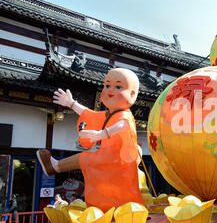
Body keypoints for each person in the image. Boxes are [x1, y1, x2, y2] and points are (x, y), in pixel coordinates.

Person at [37, 68, 145, 212]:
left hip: (118, 161)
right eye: (107, 85)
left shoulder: (124, 115)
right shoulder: (110, 114)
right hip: (110, 159)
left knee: (87, 158)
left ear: (132, 95)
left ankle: (56, 166)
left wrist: (101, 134)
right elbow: (91, 115)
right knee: (92, 166)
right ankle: (56, 167)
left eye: (118, 86)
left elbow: (122, 126)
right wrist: (71, 103)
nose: (110, 90)